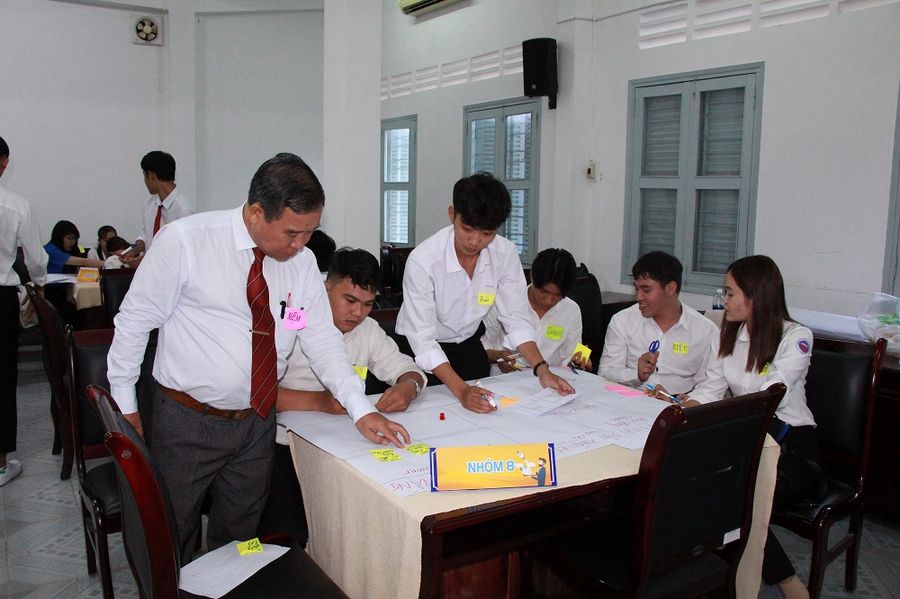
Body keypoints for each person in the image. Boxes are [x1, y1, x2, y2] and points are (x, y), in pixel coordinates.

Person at [106, 153, 410, 561]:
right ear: (255, 212)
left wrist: (360, 409)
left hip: (257, 422)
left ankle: (226, 587)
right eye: (291, 233)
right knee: (170, 532)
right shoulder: (186, 242)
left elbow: (322, 341)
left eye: (310, 232)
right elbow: (133, 322)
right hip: (187, 419)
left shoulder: (301, 264)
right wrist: (125, 407)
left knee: (240, 539)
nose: (300, 245)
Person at [651, 255, 820, 599]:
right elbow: (710, 391)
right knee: (695, 482)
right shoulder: (729, 334)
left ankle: (786, 583)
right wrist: (676, 410)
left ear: (755, 296)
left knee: (729, 494)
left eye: (729, 293)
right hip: (748, 441)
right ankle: (700, 570)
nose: (723, 300)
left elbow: (772, 394)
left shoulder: (796, 337)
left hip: (790, 449)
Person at [258, 247, 427, 544]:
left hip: (345, 442)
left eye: (368, 304)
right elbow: (257, 391)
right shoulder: (292, 321)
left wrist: (408, 387)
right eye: (349, 300)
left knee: (370, 512)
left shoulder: (368, 330)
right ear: (325, 287)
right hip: (283, 445)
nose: (358, 313)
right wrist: (318, 402)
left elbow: (407, 368)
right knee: (288, 531)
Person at [395, 172, 574, 414]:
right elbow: (423, 341)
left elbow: (515, 318)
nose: (474, 241)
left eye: (487, 234)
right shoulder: (424, 260)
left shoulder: (504, 254)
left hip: (468, 347)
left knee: (484, 419)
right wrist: (461, 391)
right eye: (467, 229)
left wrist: (542, 370)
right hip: (419, 353)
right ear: (452, 214)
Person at [598, 251, 718, 395]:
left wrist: (681, 402)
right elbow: (605, 373)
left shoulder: (705, 330)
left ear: (670, 288)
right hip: (630, 398)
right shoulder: (622, 321)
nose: (638, 297)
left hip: (679, 402)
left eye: (646, 290)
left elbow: (708, 387)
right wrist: (636, 375)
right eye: (636, 288)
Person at [0, 135, 48, 487]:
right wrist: (40, 284)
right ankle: (1, 463)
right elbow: (35, 258)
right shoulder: (15, 206)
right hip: (1, 298)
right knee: (2, 379)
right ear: (3, 163)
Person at [482, 247, 590, 374]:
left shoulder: (571, 310)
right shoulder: (505, 302)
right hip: (507, 378)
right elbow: (482, 347)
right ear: (532, 276)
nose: (548, 301)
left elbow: (571, 355)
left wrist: (577, 361)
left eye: (557, 295)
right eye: (544, 292)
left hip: (552, 378)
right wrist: (498, 357)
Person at [133, 150, 192, 254]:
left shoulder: (183, 210)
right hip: (151, 262)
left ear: (151, 175)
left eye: (144, 176)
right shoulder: (150, 204)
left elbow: (184, 248)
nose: (145, 181)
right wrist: (133, 250)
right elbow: (144, 236)